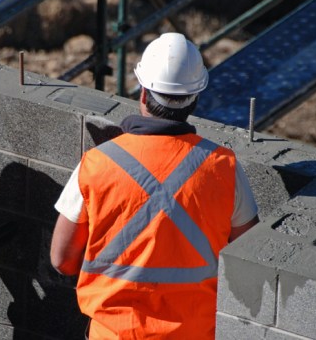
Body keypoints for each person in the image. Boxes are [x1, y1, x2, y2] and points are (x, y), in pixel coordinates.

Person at [50, 32, 260, 339]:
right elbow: (249, 263)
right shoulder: (223, 166)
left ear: (143, 93)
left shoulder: (96, 163)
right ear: (195, 98)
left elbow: (62, 260)